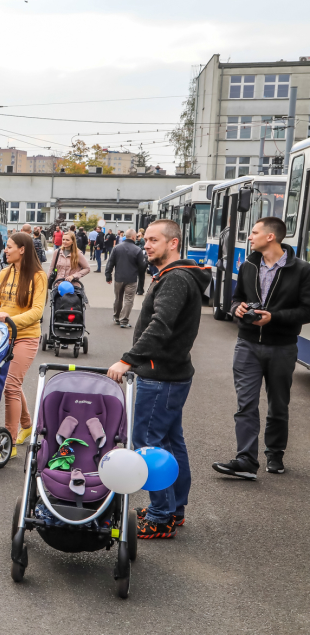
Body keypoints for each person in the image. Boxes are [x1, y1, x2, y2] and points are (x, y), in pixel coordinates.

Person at [107, 219, 211, 539]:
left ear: (173, 243)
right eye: (145, 240)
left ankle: (160, 516)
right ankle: (174, 509)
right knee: (171, 444)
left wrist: (128, 359)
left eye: (154, 240)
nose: (146, 245)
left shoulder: (175, 278)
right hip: (171, 374)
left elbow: (160, 326)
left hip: (161, 376)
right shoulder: (176, 275)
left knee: (149, 445)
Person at [212, 217, 310, 480]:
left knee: (279, 404)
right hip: (247, 345)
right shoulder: (248, 265)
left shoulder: (302, 270)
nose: (250, 236)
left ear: (270, 237)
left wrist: (273, 317)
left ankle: (275, 453)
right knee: (246, 404)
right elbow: (236, 299)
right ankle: (246, 460)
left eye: (254, 232)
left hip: (282, 347)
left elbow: (307, 310)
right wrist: (237, 309)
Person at [0, 232, 47, 456]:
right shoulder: (5, 272)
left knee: (11, 385)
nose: (5, 250)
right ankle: (27, 425)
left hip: (26, 336)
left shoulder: (38, 276)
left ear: (22, 250)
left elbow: (37, 312)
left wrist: (10, 319)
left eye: (9, 247)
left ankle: (10, 441)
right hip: (4, 336)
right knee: (12, 383)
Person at [105, 229, 147, 328]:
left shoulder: (116, 248)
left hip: (119, 278)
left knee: (118, 298)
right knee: (129, 300)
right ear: (133, 237)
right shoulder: (137, 250)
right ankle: (124, 320)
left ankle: (116, 317)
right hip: (131, 278)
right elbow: (142, 266)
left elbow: (110, 263)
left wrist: (108, 275)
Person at [48, 236, 90, 303]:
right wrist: (47, 280)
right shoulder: (57, 252)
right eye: (63, 239)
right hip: (58, 285)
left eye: (67, 240)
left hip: (72, 286)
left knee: (72, 306)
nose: (64, 241)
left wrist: (73, 276)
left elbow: (87, 268)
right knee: (57, 306)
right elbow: (52, 267)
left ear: (72, 241)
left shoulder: (78, 254)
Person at [136, 228, 148, 295]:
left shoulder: (143, 240)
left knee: (140, 276)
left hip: (142, 259)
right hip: (141, 259)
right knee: (140, 276)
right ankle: (139, 289)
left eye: (139, 235)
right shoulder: (138, 241)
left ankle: (140, 289)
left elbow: (142, 247)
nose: (138, 236)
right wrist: (138, 240)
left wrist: (140, 240)